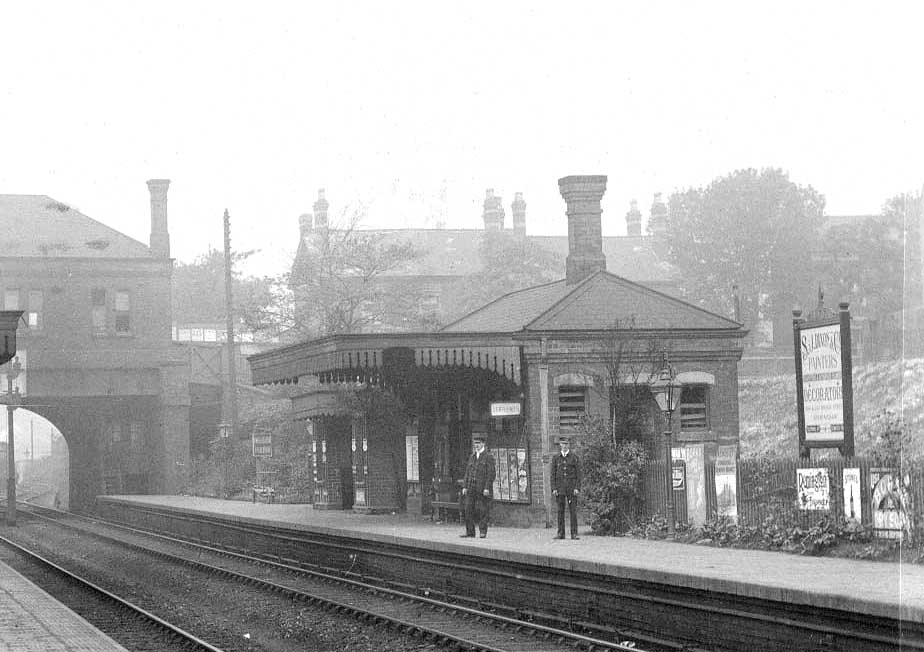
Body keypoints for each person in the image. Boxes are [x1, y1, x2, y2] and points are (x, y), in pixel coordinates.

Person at [461, 433, 496, 538]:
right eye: (475, 443)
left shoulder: (488, 457)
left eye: (478, 443)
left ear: (483, 444)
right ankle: (470, 532)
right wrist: (465, 486)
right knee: (468, 509)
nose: (476, 445)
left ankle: (482, 531)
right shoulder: (472, 457)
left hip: (482, 488)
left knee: (482, 510)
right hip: (471, 487)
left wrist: (487, 488)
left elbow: (491, 474)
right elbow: (467, 472)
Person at [550, 435, 582, 539]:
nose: (564, 446)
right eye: (563, 444)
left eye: (566, 444)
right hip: (560, 488)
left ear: (569, 445)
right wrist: (554, 488)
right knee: (560, 511)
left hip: (571, 488)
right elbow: (553, 474)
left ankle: (574, 533)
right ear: (560, 445)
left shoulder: (574, 457)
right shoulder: (556, 458)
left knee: (573, 511)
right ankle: (560, 533)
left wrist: (577, 487)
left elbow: (578, 474)